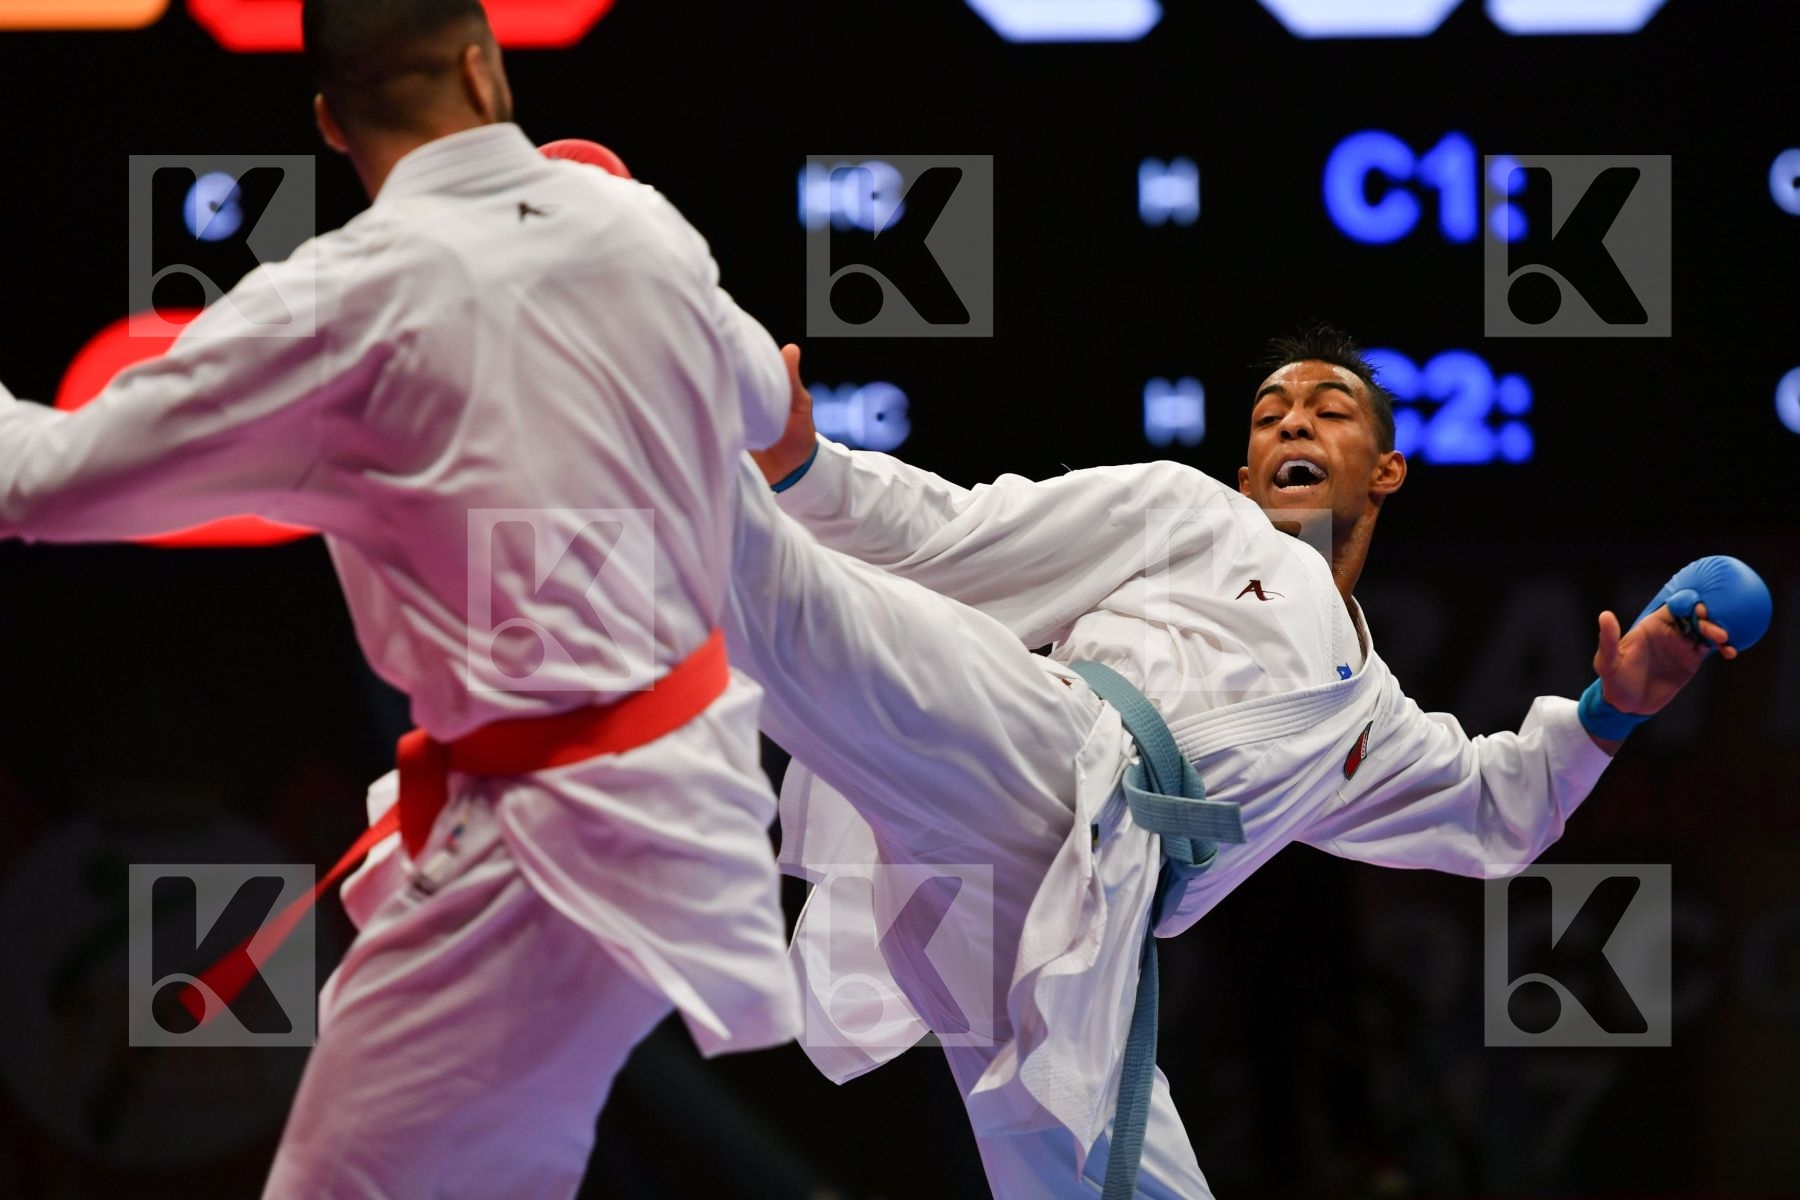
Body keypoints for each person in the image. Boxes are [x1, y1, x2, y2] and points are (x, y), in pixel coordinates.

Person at [0, 1, 805, 1194]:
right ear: (483, 68)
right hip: (696, 787)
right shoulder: (635, 222)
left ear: (331, 121)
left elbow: (34, 484)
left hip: (547, 849)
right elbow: (767, 406)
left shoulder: (338, 303)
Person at [723, 327, 1763, 1198]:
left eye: (1328, 410)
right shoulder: (1193, 512)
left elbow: (1500, 806)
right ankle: (668, 439)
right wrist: (813, 468)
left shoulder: (1370, 721)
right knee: (824, 622)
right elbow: (964, 528)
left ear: (1387, 470)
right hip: (1057, 750)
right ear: (1246, 474)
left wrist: (1613, 712)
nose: (1292, 423)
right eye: (1270, 417)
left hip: (1092, 927)